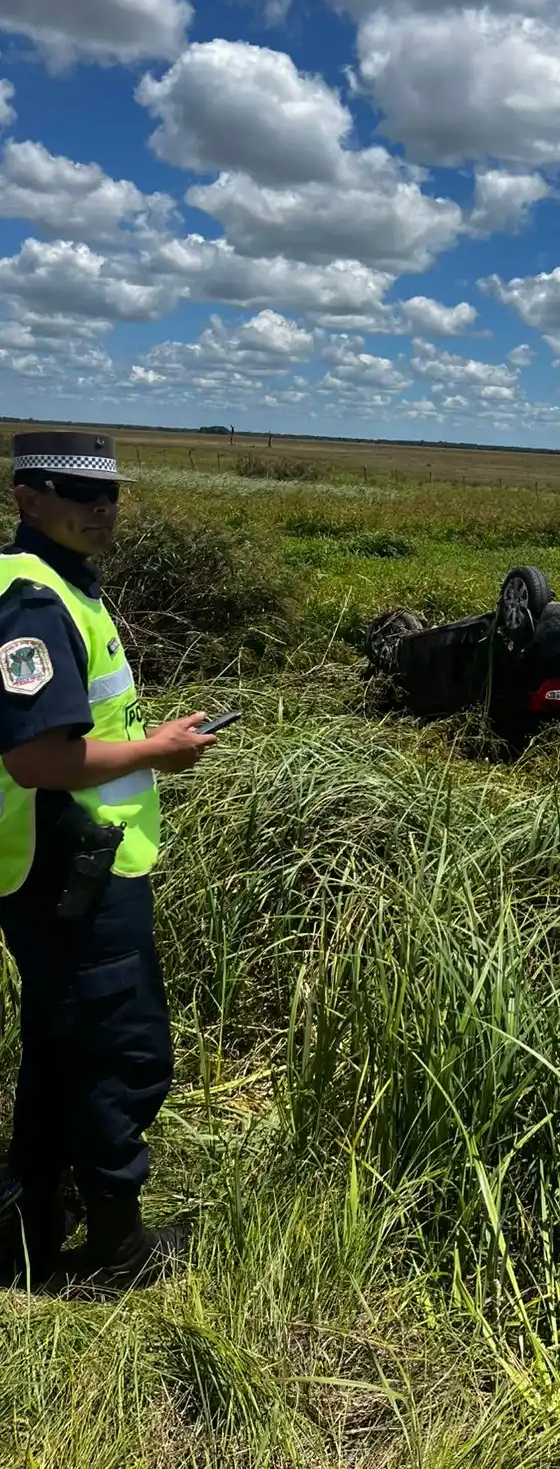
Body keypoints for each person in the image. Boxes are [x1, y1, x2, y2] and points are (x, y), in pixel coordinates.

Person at [0, 430, 216, 1293]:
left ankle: (28, 1229)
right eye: (75, 492)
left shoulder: (58, 590)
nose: (101, 509)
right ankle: (117, 1250)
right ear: (26, 497)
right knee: (122, 1056)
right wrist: (156, 751)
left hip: (65, 868)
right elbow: (37, 761)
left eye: (111, 494)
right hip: (71, 873)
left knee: (60, 1047)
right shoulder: (34, 602)